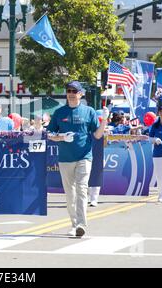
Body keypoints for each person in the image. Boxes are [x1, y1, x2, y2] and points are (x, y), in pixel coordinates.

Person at [47, 81, 108, 237]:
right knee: (70, 194)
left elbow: (97, 135)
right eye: (69, 90)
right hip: (65, 158)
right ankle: (74, 224)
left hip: (84, 157)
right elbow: (49, 134)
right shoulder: (59, 112)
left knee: (81, 189)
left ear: (81, 94)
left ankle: (81, 224)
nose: (71, 93)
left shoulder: (89, 111)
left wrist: (105, 120)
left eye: (74, 91)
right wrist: (61, 137)